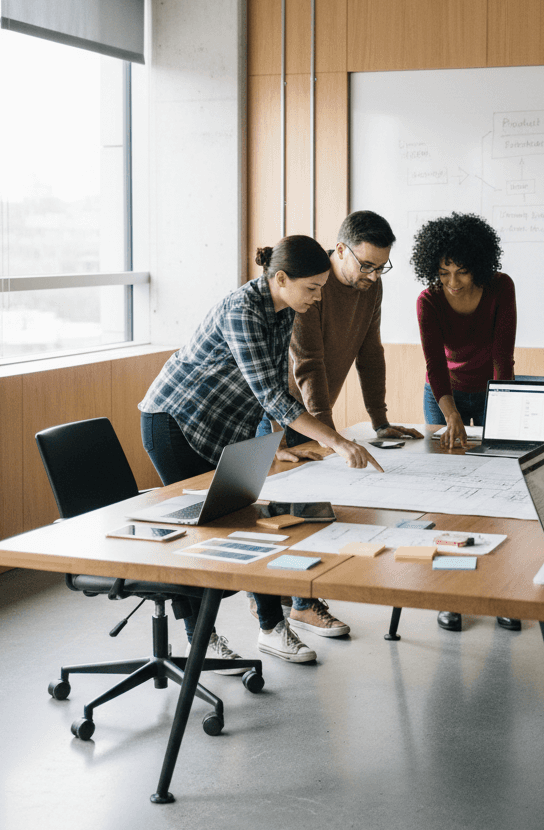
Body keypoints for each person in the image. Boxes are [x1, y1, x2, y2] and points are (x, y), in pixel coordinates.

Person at [138, 235, 381, 667]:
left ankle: (271, 628)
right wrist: (335, 440)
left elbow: (269, 385)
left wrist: (274, 448)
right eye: (312, 288)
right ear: (281, 278)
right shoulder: (242, 311)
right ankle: (200, 637)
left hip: (222, 427)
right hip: (175, 422)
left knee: (255, 523)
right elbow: (271, 393)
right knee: (197, 533)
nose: (318, 296)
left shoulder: (284, 309)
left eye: (322, 287)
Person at [253, 210, 421, 640]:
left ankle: (297, 602)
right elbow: (307, 362)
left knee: (310, 511)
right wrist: (328, 436)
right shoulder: (315, 282)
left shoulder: (371, 287)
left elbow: (370, 349)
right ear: (340, 250)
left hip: (313, 417)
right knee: (290, 517)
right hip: (281, 412)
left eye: (381, 266)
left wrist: (380, 419)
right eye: (365, 264)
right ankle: (296, 606)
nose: (372, 274)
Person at [412, 211, 518, 633]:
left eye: (461, 271)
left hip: (493, 387)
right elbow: (434, 363)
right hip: (444, 394)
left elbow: (502, 354)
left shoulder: (500, 287)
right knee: (448, 499)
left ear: (481, 265)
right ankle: (450, 595)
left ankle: (502, 591)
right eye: (443, 273)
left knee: (499, 491)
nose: (452, 282)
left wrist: (503, 409)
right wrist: (451, 411)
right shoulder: (429, 300)